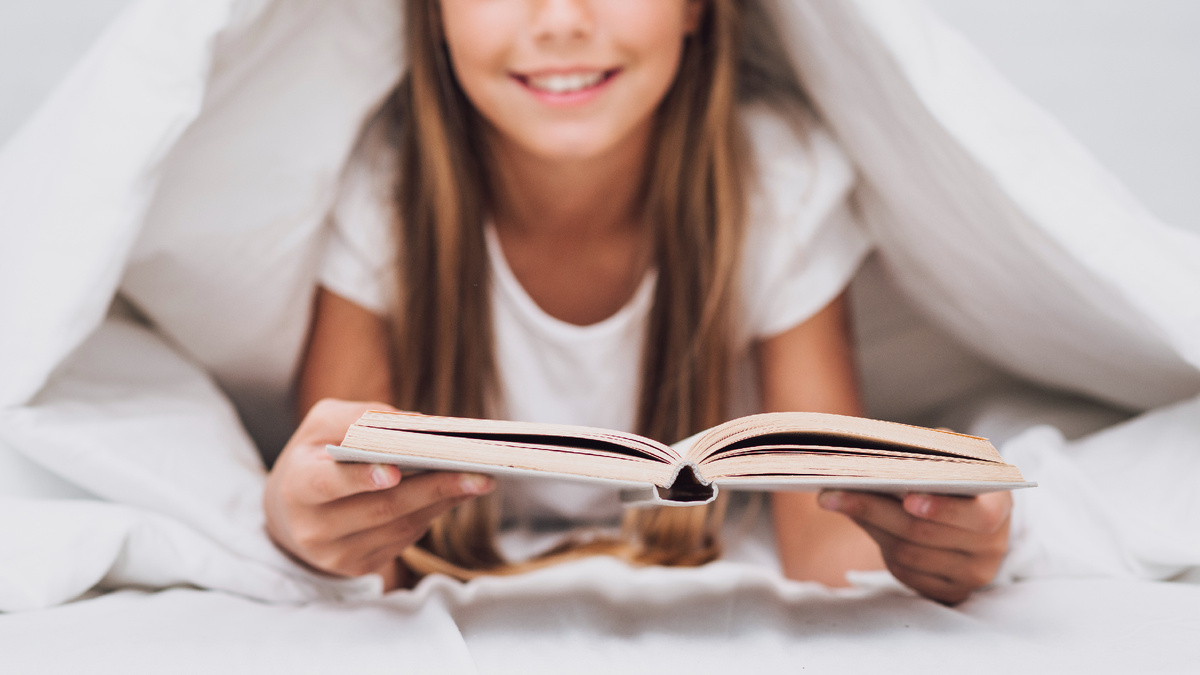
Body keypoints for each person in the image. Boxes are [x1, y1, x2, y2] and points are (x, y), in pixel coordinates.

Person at [263, 0, 1011, 605]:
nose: (560, 20)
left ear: (698, 8)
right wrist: (304, 528)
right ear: (433, 14)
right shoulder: (384, 190)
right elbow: (360, 541)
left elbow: (829, 540)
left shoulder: (776, 180)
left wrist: (935, 546)